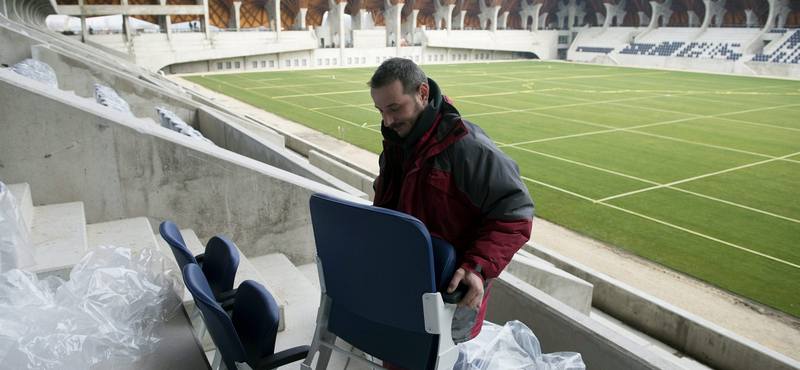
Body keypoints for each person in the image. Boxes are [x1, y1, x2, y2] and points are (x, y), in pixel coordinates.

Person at [369, 58, 534, 347]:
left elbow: (516, 214)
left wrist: (478, 266)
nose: (387, 121)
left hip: (449, 302)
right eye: (381, 111)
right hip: (401, 289)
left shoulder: (467, 147)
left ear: (422, 93)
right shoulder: (396, 144)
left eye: (394, 108)